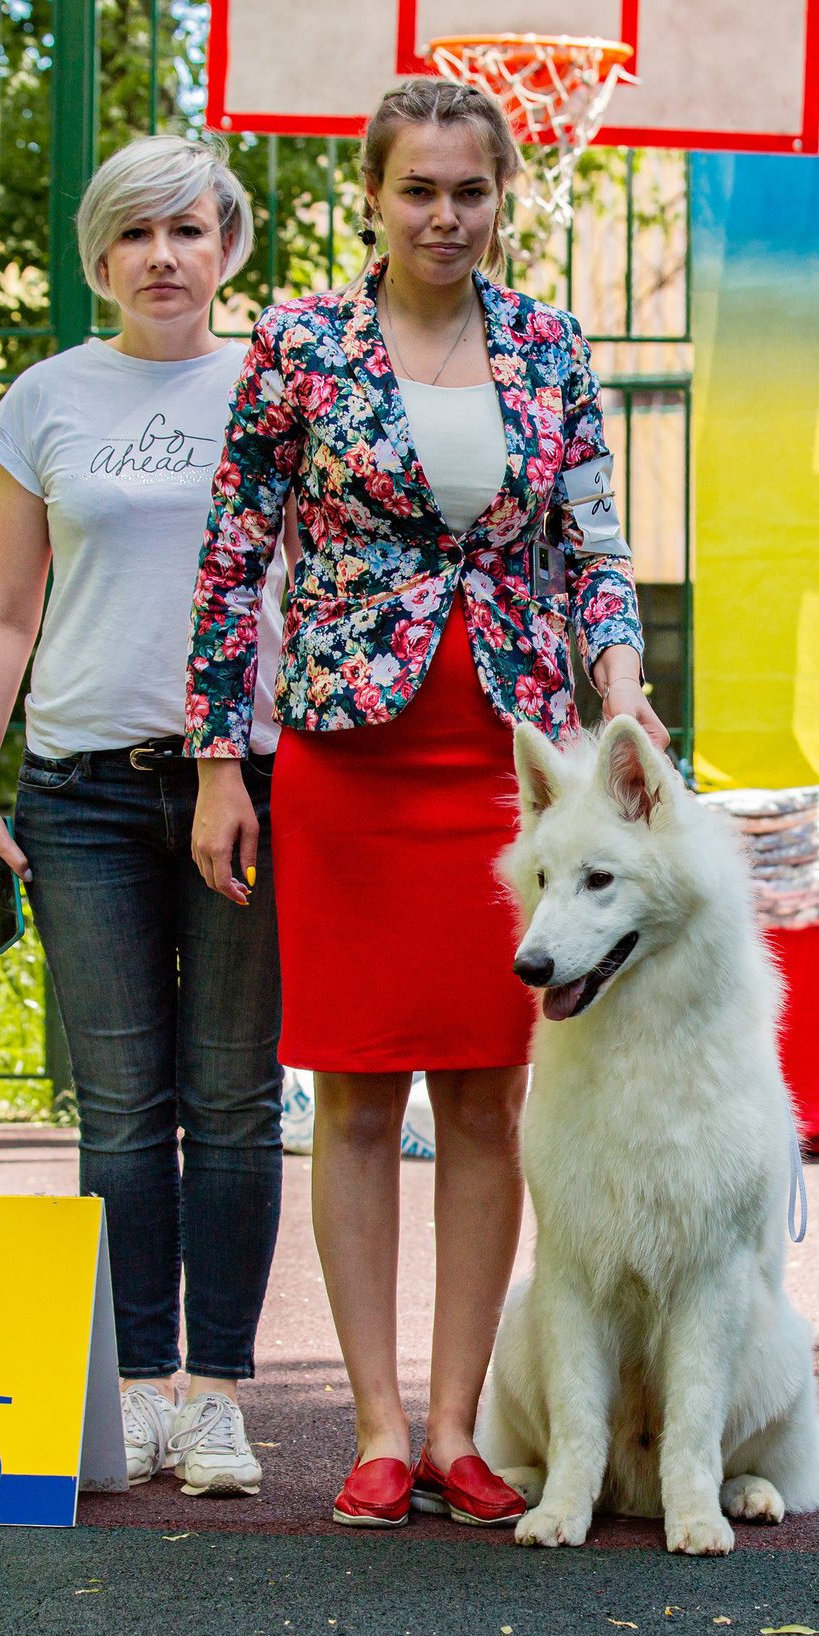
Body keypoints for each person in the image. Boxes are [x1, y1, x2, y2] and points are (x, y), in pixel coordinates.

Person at [184, 77, 664, 1529]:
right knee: (349, 1089)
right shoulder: (299, 345)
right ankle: (377, 1425)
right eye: (419, 192)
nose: (444, 217)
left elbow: (589, 540)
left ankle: (459, 1427)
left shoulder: (547, 342)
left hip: (508, 771)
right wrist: (222, 759)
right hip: (349, 757)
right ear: (372, 199)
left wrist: (621, 682)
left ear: (500, 198)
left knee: (487, 1090)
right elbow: (227, 562)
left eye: (469, 192)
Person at [0, 133, 285, 1498]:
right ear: (100, 257)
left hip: (244, 784)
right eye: (136, 235)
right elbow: (3, 607)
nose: (164, 256)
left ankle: (218, 1395)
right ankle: (138, 1388)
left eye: (189, 231)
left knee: (236, 1095)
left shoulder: (279, 387)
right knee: (123, 1107)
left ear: (227, 248)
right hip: (81, 789)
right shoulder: (47, 398)